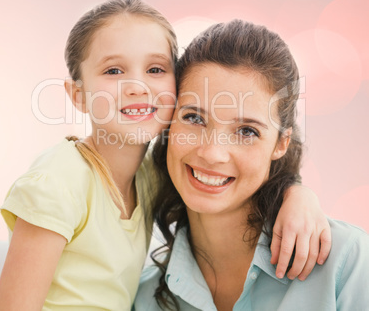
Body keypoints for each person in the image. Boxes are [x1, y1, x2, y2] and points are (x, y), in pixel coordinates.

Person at [0, 0, 331, 311]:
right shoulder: (58, 182)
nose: (137, 86)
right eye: (113, 71)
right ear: (78, 95)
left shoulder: (153, 176)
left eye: (155, 69)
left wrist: (298, 194)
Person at [134, 19, 369, 310]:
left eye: (247, 131)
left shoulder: (346, 263)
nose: (212, 153)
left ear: (281, 144)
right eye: (194, 118)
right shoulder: (144, 297)